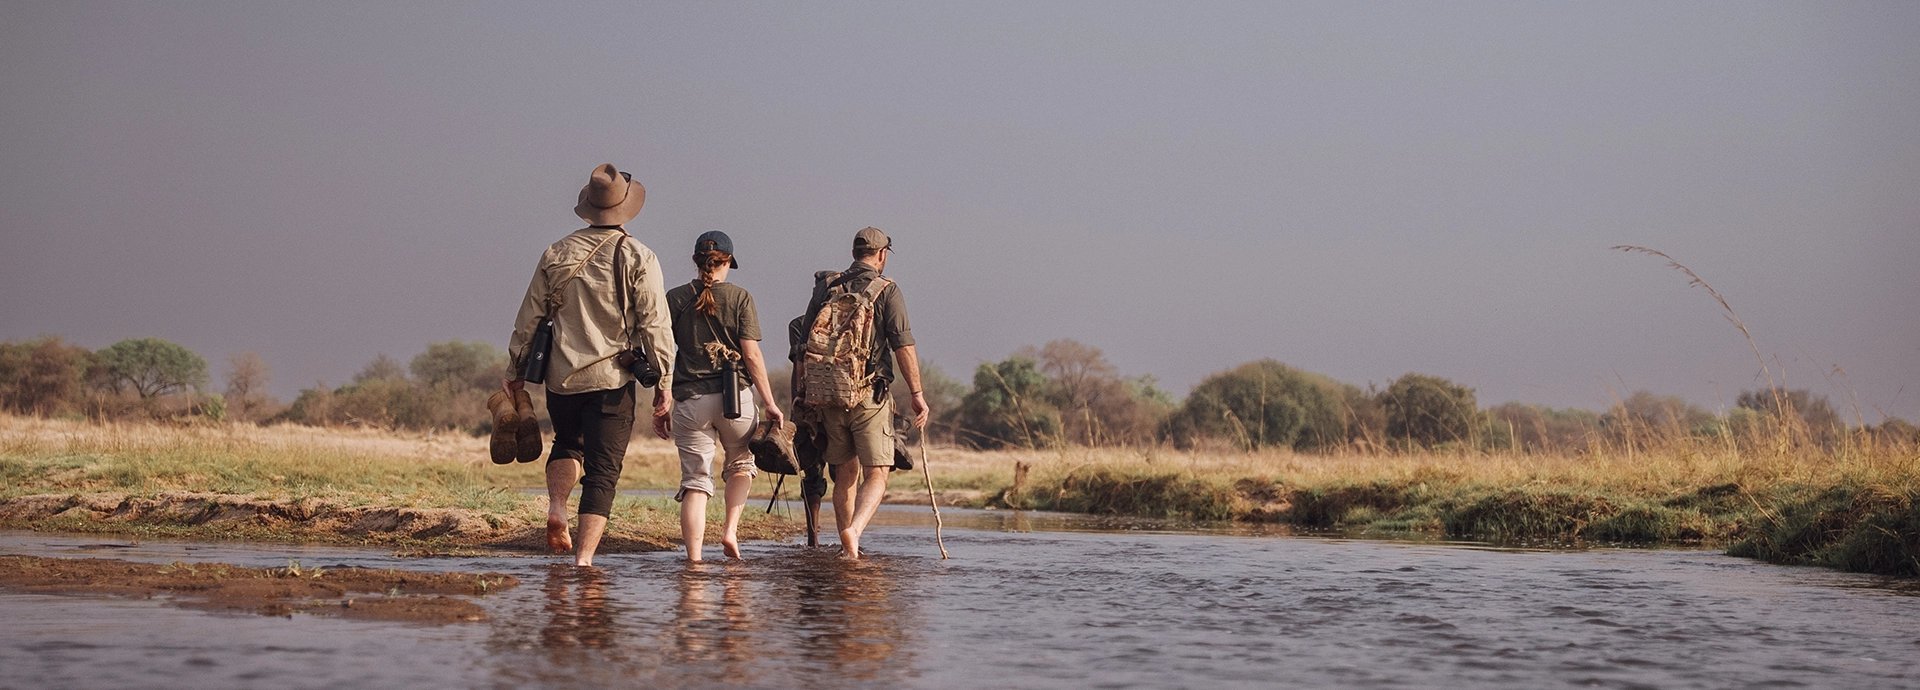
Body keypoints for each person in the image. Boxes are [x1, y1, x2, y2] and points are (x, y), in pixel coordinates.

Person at [507, 163, 675, 568]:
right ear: (626, 208)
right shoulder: (638, 255)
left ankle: (557, 507)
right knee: (602, 472)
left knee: (567, 443)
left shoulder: (556, 252)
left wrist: (515, 371)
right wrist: (664, 382)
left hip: (560, 377)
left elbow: (529, 318)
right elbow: (654, 323)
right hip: (612, 379)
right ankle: (583, 561)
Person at [798, 227, 928, 559]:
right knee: (878, 472)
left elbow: (803, 343)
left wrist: (804, 392)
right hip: (869, 395)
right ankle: (853, 532)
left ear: (854, 253)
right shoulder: (887, 289)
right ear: (882, 254)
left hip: (828, 394)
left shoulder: (827, 286)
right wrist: (917, 393)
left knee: (845, 473)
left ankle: (849, 550)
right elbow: (903, 345)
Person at [664, 230, 785, 561]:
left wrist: (662, 397)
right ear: (727, 261)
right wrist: (770, 402)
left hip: (690, 399)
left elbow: (661, 349)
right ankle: (730, 532)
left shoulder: (675, 297)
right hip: (736, 399)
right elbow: (751, 355)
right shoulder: (740, 297)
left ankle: (694, 560)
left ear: (696, 261)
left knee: (695, 481)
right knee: (741, 463)